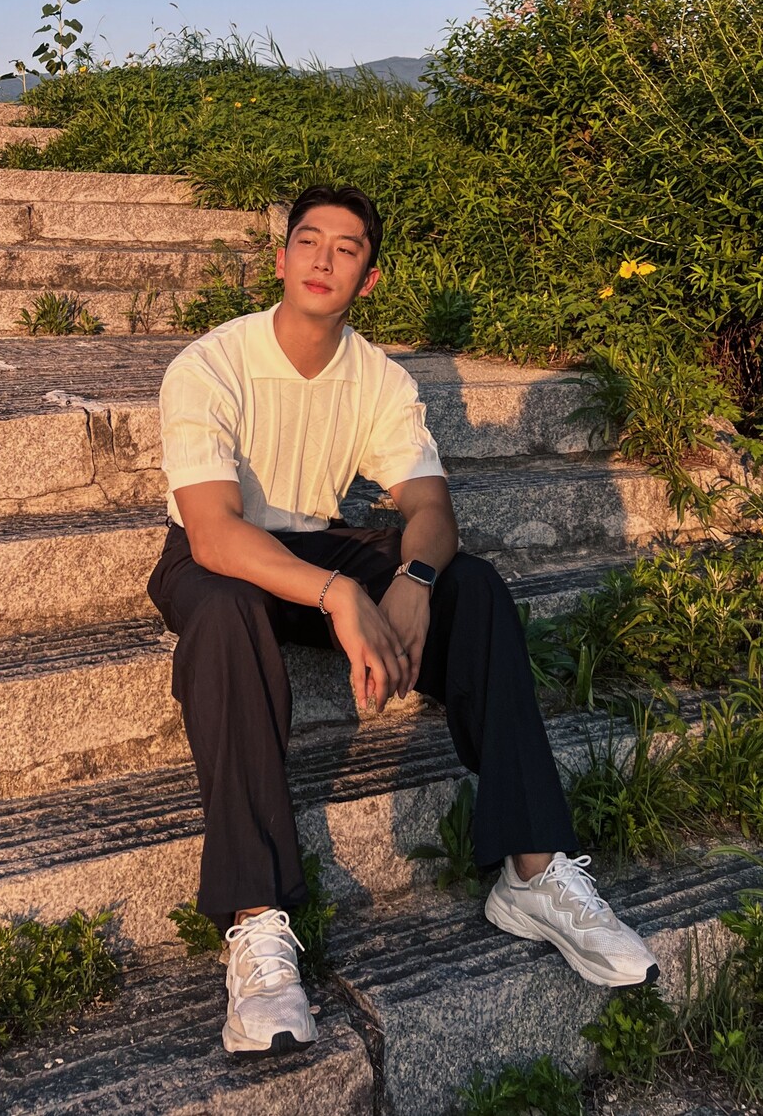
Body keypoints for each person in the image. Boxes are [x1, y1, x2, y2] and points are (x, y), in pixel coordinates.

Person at [147, 184, 658, 1057]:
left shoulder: (378, 377)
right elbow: (215, 532)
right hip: (219, 559)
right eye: (308, 241)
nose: (322, 259)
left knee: (476, 587)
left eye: (345, 249)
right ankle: (257, 920)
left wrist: (416, 578)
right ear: (281, 258)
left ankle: (534, 870)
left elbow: (428, 507)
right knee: (228, 612)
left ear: (368, 278)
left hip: (315, 541)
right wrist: (342, 595)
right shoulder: (211, 363)